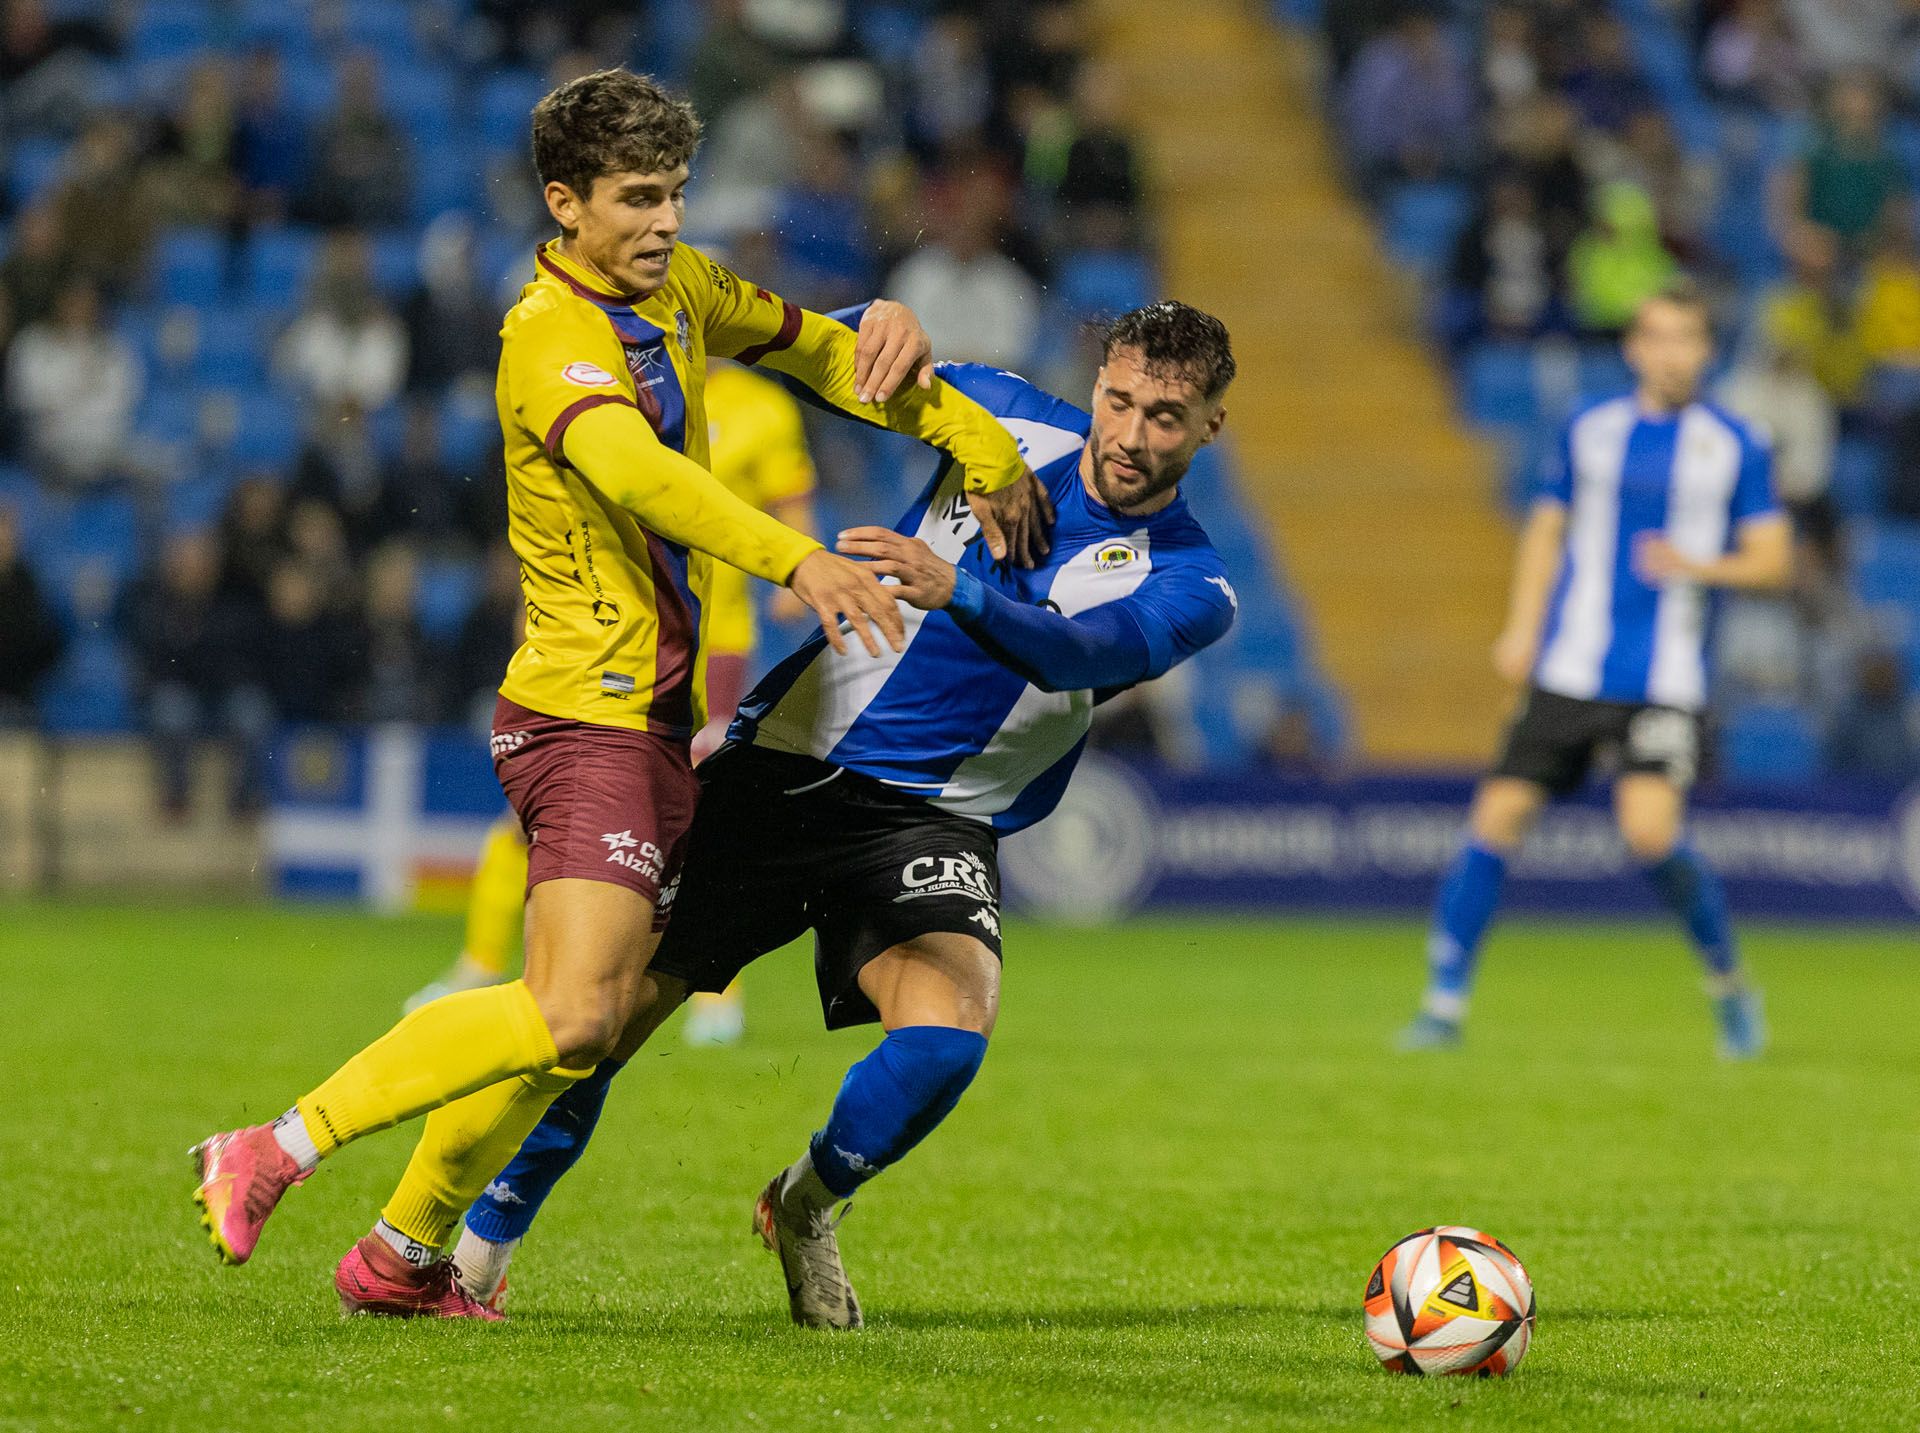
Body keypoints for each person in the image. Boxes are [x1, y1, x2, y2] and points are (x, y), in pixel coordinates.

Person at [189, 68, 1041, 1320]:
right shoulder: (548, 337)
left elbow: (819, 346)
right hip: (582, 716)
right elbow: (637, 471)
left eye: (677, 194)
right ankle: (273, 1147)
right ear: (563, 201)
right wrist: (794, 554)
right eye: (636, 198)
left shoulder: (679, 284)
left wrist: (971, 430)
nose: (663, 221)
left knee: (578, 1025)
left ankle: (401, 1258)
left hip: (639, 719)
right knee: (576, 1008)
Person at [448, 302, 1240, 1328]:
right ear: (1097, 384)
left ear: (1210, 426)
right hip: (787, 769)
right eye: (1121, 401)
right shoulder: (993, 410)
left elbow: (1078, 657)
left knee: (947, 1040)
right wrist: (882, 320)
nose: (1132, 436)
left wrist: (957, 590)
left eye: (1167, 417)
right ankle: (473, 1251)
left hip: (933, 819)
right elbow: (827, 349)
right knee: (599, 1020)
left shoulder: (1194, 579)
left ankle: (805, 1201)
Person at [1400, 281, 1792, 1059]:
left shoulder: (1737, 443)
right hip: (1569, 669)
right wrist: (1520, 628)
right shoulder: (1589, 429)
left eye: (1688, 337)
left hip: (1665, 678)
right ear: (1635, 347)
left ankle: (1731, 987)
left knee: (1649, 834)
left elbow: (1775, 562)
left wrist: (1697, 565)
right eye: (1659, 336)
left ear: (1707, 351)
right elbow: (1546, 530)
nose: (1673, 352)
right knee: (1495, 821)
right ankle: (1442, 1005)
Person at [403, 351, 829, 1050]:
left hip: (711, 638)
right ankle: (479, 964)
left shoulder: (762, 407)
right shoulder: (613, 388)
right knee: (539, 812)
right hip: (609, 636)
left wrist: (794, 575)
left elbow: (793, 504)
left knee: (695, 812)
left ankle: (715, 990)